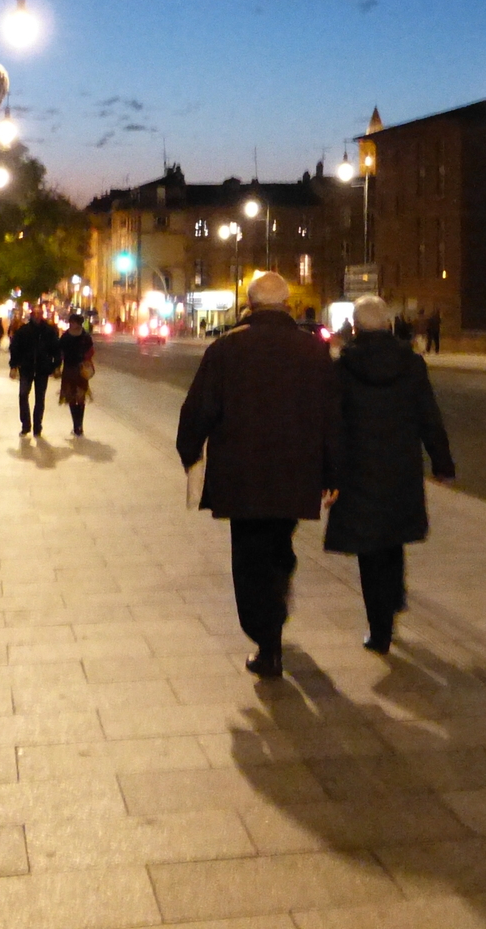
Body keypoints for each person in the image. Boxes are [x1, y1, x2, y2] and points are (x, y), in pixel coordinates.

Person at [178, 271, 339, 680]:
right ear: (287, 305)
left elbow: (199, 409)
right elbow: (332, 417)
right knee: (279, 541)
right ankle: (276, 599)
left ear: (249, 305)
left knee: (249, 555)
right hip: (295, 471)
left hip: (241, 473)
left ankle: (266, 640)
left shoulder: (227, 348)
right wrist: (333, 470)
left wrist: (189, 451)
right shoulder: (313, 351)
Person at [328, 295, 456, 655]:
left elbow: (333, 425)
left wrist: (329, 473)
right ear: (387, 324)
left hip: (358, 469)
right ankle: (395, 595)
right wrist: (442, 463)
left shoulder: (343, 368)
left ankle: (379, 630)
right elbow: (429, 416)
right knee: (394, 538)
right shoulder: (411, 364)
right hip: (400, 466)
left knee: (369, 551)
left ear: (355, 326)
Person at [8, 303, 60, 438]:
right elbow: (15, 349)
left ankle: (37, 426)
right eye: (34, 314)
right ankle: (26, 425)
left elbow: (56, 350)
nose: (37, 316)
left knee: (40, 399)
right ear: (31, 315)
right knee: (23, 395)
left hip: (42, 369)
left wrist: (56, 366)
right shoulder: (23, 331)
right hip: (26, 368)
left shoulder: (49, 331)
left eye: (39, 314)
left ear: (42, 315)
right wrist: (13, 366)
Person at [58, 312, 95, 436]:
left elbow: (91, 351)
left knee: (80, 397)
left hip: (80, 369)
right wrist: (57, 366)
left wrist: (86, 359)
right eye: (71, 322)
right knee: (71, 398)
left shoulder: (85, 337)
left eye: (74, 322)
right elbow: (60, 352)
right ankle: (76, 425)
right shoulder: (65, 337)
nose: (72, 324)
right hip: (69, 368)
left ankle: (79, 424)